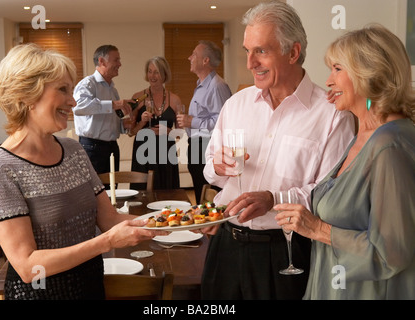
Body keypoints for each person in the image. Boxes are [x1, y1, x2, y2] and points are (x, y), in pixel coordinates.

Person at [0, 43, 166, 300]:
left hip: (90, 286)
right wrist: (107, 242)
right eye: (63, 90)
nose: (73, 100)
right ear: (26, 94)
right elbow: (27, 266)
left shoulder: (73, 150)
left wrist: (170, 222)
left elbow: (109, 220)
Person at [201, 1, 355, 300]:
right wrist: (217, 167)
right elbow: (210, 169)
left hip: (285, 253)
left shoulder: (332, 115)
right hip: (225, 245)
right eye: (247, 51)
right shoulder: (236, 105)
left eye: (261, 51)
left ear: (293, 52)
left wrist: (274, 200)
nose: (250, 63)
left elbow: (329, 196)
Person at [273, 25, 415, 300]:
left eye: (337, 69)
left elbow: (392, 253)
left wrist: (316, 228)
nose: (328, 80)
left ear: (369, 72)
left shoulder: (389, 145)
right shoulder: (363, 133)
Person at [176, 40, 231, 202]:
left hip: (207, 146)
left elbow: (223, 122)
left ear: (205, 60)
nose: (189, 58)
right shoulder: (201, 84)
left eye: (194, 54)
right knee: (200, 192)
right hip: (196, 145)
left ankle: (212, 226)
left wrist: (192, 121)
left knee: (208, 193)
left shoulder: (217, 86)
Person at [73, 45, 132, 175]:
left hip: (112, 147)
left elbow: (110, 121)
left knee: (113, 191)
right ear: (102, 61)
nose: (120, 64)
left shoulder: (113, 90)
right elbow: (79, 107)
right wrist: (113, 104)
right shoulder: (87, 84)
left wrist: (124, 125)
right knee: (94, 191)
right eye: (116, 60)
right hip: (92, 148)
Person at [129, 56, 182, 189]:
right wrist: (142, 122)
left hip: (166, 153)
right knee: (142, 194)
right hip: (143, 151)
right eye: (150, 71)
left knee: (167, 193)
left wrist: (169, 132)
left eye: (157, 72)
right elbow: (131, 132)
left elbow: (180, 135)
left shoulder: (175, 100)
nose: (152, 76)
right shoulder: (137, 98)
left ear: (164, 74)